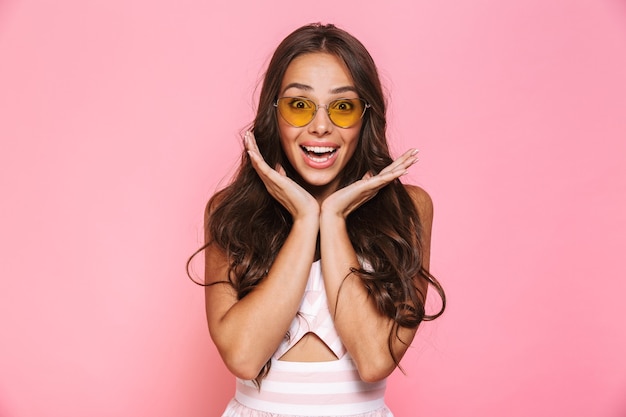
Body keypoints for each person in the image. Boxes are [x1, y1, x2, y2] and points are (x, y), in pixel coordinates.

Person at [188, 23, 445, 417]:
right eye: (299, 105)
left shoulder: (408, 209)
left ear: (366, 116)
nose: (320, 126)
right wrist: (307, 218)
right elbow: (243, 356)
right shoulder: (229, 211)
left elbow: (375, 359)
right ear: (274, 114)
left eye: (343, 107)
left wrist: (335, 218)